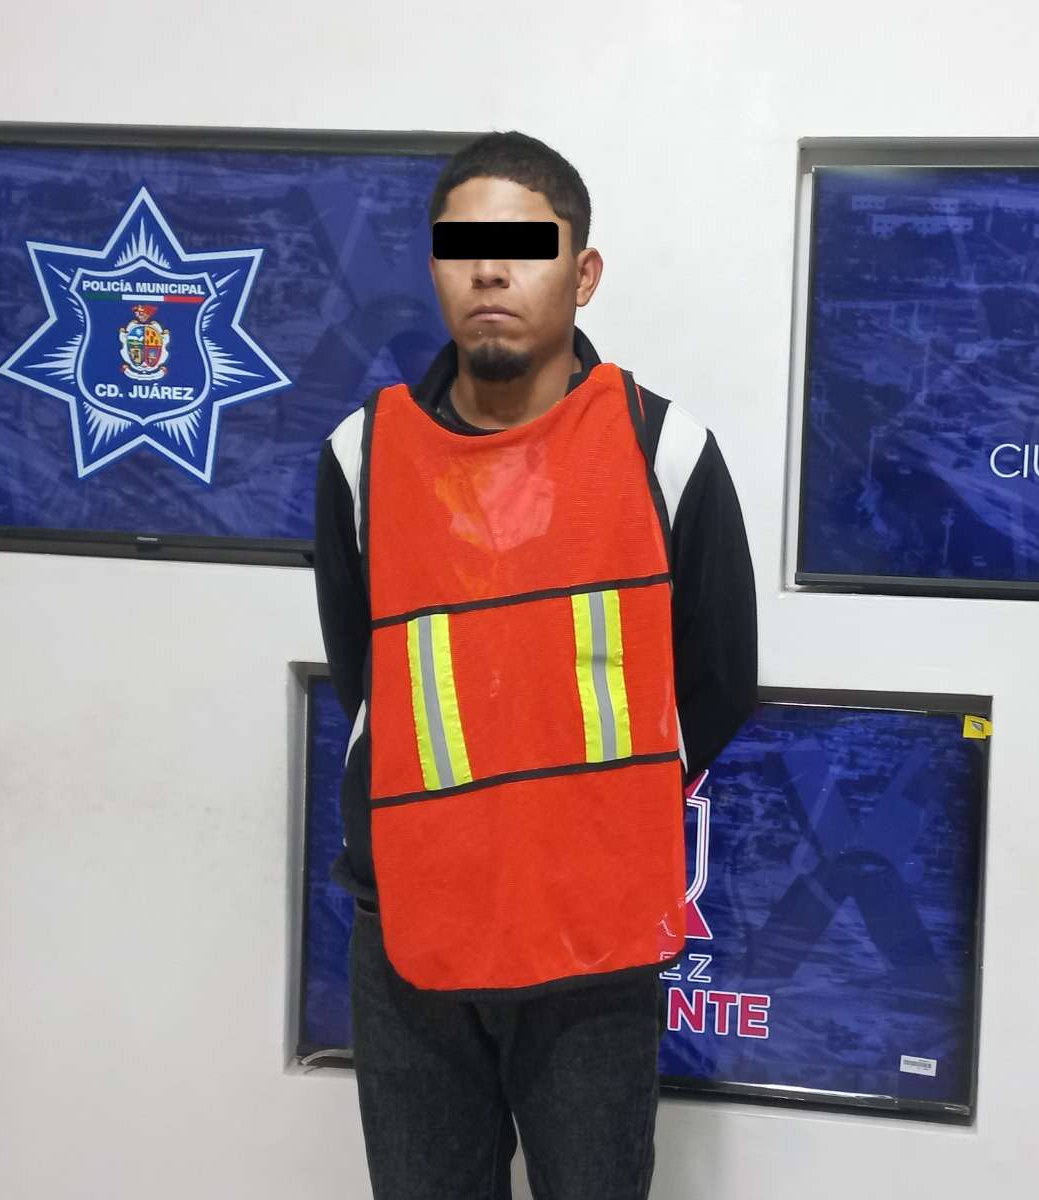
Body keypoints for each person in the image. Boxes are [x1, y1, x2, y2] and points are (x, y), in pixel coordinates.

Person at [312, 130, 757, 1200]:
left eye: (522, 247)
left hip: (594, 935)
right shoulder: (360, 458)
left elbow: (718, 680)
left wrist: (593, 813)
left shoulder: (665, 452)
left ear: (584, 273)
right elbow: (366, 678)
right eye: (463, 247)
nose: (490, 272)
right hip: (410, 924)